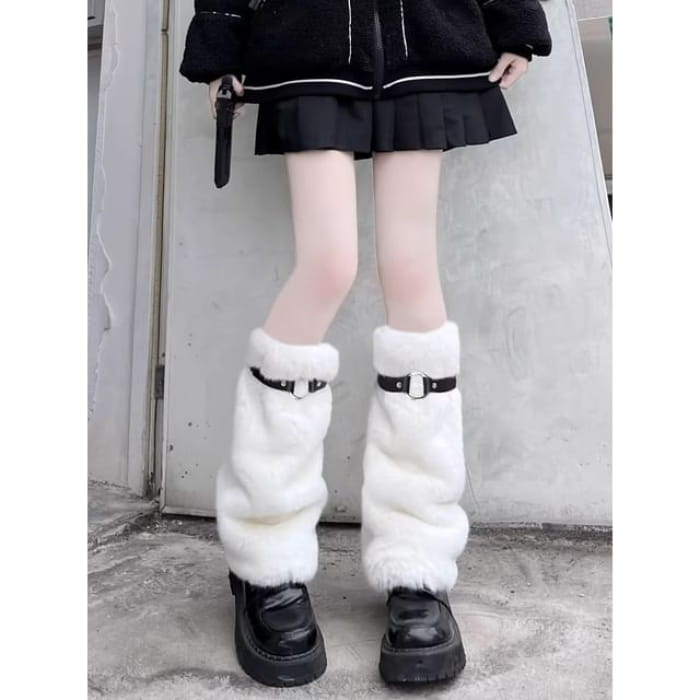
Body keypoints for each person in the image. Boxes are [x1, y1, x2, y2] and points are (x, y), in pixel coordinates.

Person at [179, 0, 552, 687]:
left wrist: (515, 18)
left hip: (426, 37)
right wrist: (221, 36)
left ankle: (418, 563)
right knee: (327, 268)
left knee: (411, 272)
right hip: (309, 39)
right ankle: (264, 554)